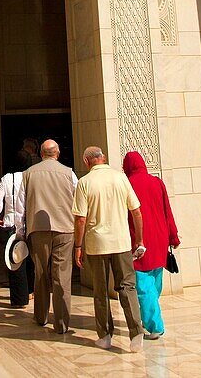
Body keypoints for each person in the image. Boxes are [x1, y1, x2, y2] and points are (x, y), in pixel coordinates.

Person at [72, 146, 145, 352]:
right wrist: (138, 240)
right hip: (121, 242)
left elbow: (80, 219)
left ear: (87, 162)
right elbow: (137, 212)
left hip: (97, 244)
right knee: (127, 287)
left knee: (101, 291)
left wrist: (78, 245)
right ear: (103, 158)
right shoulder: (121, 178)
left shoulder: (85, 182)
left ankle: (105, 335)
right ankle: (136, 332)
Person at [14, 138, 77, 333]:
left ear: (41, 154)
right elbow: (78, 201)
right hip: (65, 229)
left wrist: (20, 232)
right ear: (57, 154)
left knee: (40, 273)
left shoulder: (28, 174)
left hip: (38, 229)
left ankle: (41, 316)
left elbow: (20, 206)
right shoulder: (69, 174)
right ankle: (62, 322)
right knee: (62, 276)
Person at [122, 151, 180, 339]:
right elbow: (167, 211)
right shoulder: (157, 182)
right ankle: (152, 316)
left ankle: (155, 326)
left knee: (144, 286)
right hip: (160, 239)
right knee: (155, 282)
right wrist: (173, 236)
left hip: (139, 240)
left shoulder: (127, 184)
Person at [0, 149, 34, 306]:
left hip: (11, 226)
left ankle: (19, 298)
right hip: (30, 225)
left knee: (15, 261)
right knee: (30, 259)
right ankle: (30, 291)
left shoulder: (7, 179)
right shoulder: (32, 178)